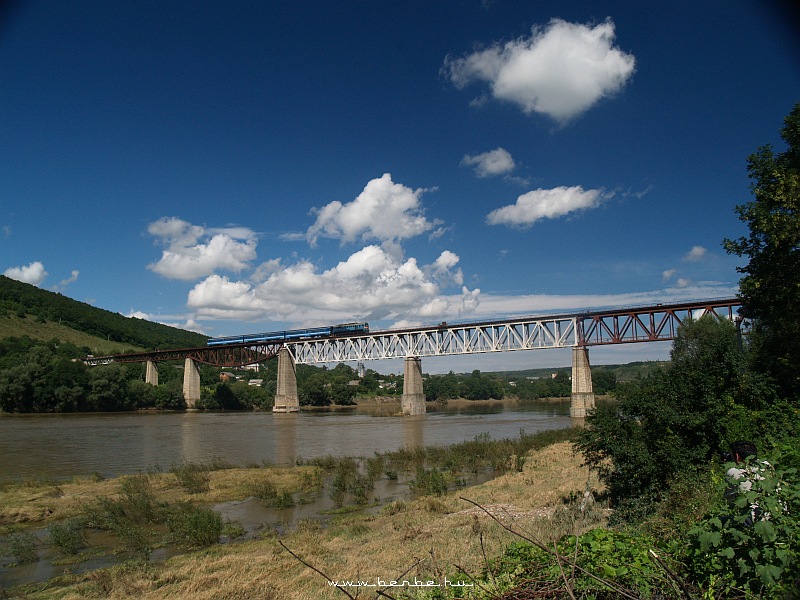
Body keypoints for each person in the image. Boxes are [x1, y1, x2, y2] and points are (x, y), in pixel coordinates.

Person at [724, 440, 768, 525]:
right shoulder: (767, 465)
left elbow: (730, 500)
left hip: (754, 520)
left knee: (724, 520)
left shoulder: (733, 472)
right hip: (776, 515)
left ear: (737, 457)